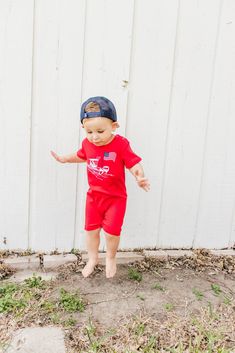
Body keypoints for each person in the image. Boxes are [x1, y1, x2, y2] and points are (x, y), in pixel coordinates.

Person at [51, 96, 150, 278]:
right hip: (94, 198)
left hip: (115, 199)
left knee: (112, 233)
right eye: (89, 132)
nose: (94, 137)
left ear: (114, 126)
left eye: (100, 131)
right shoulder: (87, 144)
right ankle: (92, 258)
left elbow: (133, 162)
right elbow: (81, 155)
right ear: (84, 129)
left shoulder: (120, 144)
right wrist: (65, 159)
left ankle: (110, 258)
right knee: (91, 230)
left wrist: (139, 175)